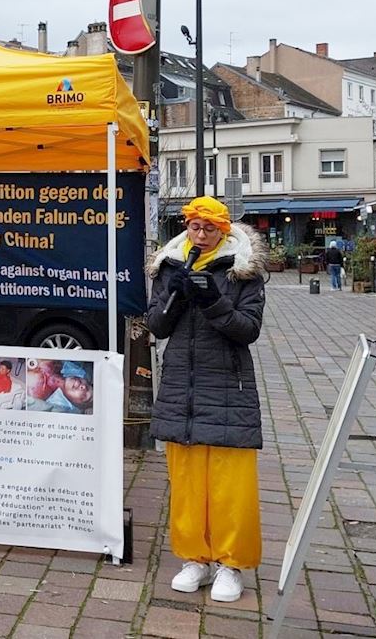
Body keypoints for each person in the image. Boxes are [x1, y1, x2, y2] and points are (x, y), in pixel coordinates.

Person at [146, 195, 266, 604]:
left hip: (228, 386)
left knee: (231, 485)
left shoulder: (243, 270)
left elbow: (248, 329)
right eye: (195, 227)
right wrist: (178, 296)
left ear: (224, 229)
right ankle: (194, 558)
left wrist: (213, 301)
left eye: (210, 228)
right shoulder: (169, 265)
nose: (201, 235)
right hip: (182, 385)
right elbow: (157, 325)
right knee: (187, 482)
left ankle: (231, 564)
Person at [27, 361, 93, 414]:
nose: (84, 386)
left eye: (84, 395)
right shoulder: (60, 365)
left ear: (75, 405)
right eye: (88, 385)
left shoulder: (38, 396)